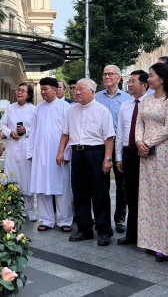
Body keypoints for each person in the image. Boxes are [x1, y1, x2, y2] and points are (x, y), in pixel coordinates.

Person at [57, 78, 115, 246]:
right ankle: (84, 229)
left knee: (100, 193)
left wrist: (108, 158)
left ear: (92, 92)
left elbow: (109, 137)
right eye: (76, 89)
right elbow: (65, 133)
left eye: (81, 90)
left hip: (96, 153)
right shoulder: (71, 110)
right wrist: (61, 151)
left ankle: (104, 231)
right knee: (79, 192)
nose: (77, 92)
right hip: (77, 154)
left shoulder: (102, 111)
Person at [135, 62, 168, 262]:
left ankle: (166, 245)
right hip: (145, 153)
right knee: (147, 196)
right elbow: (139, 122)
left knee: (164, 197)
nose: (148, 79)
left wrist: (147, 142)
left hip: (163, 153)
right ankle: (148, 240)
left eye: (151, 75)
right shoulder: (145, 101)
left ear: (161, 79)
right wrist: (139, 142)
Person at [27, 77, 73, 231]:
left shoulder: (65, 107)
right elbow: (33, 132)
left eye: (46, 89)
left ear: (55, 89)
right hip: (40, 154)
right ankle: (46, 220)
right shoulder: (38, 108)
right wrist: (31, 151)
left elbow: (70, 132)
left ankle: (64, 221)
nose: (43, 92)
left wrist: (66, 154)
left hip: (59, 155)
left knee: (62, 187)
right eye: (42, 89)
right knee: (42, 186)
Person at [115, 70, 149, 246]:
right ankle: (132, 234)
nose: (129, 84)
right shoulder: (125, 105)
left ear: (144, 85)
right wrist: (118, 157)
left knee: (148, 195)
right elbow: (120, 132)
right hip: (129, 153)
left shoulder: (151, 104)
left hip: (147, 153)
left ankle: (147, 235)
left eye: (133, 81)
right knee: (131, 194)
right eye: (129, 81)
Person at [95, 64, 130, 233]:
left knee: (122, 185)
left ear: (118, 77)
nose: (107, 77)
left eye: (110, 74)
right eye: (104, 74)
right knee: (100, 183)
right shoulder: (95, 98)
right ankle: (101, 219)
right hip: (100, 143)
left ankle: (120, 218)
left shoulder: (127, 98)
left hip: (120, 142)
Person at [0, 83, 37, 221]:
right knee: (11, 177)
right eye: (18, 90)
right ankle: (12, 209)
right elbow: (1, 124)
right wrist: (10, 133)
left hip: (27, 147)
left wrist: (26, 130)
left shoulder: (34, 109)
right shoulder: (10, 108)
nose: (19, 92)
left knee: (27, 178)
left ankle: (30, 210)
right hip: (12, 147)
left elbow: (38, 128)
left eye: (23, 90)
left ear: (29, 94)